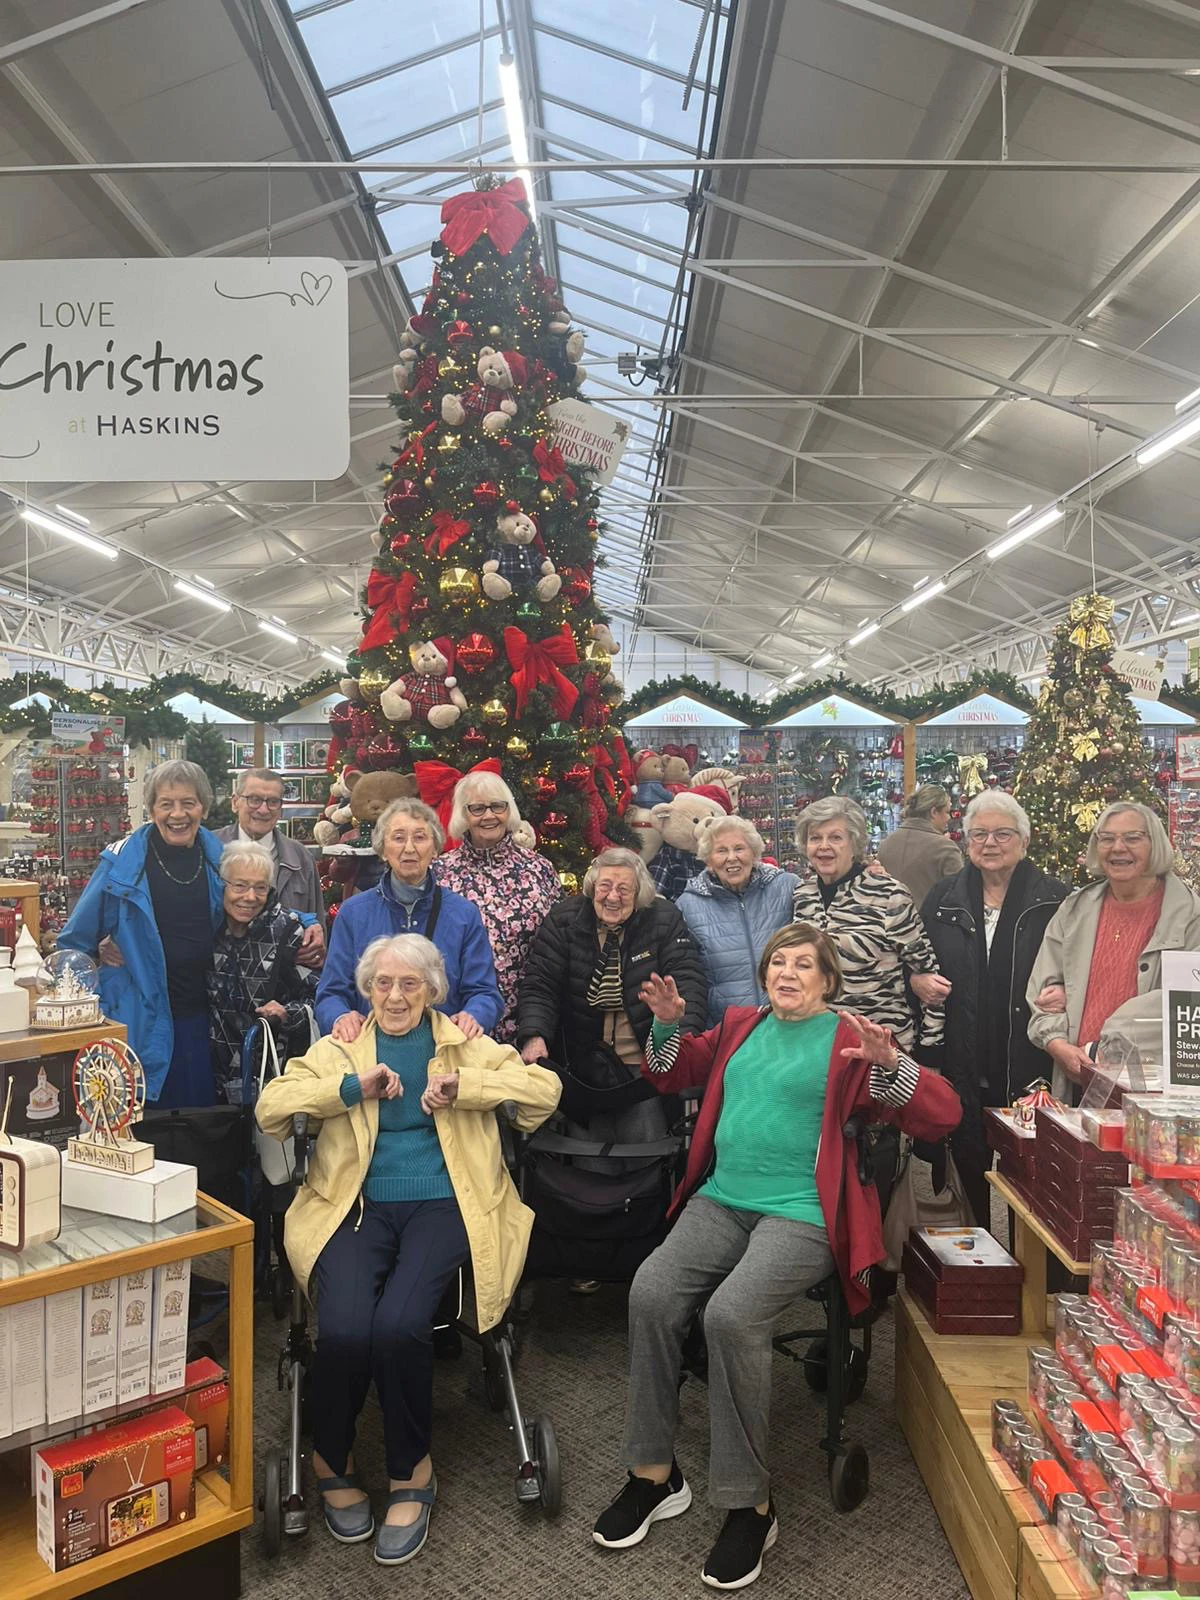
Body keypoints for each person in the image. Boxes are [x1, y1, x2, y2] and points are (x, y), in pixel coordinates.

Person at [591, 924, 960, 1590]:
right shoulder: (741, 1025)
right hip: (723, 1199)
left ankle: (749, 1507)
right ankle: (654, 1474)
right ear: (764, 975)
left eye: (804, 964)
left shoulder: (851, 1039)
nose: (787, 973)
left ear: (828, 979)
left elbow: (943, 1116)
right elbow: (670, 1073)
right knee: (651, 1291)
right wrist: (668, 1024)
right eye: (778, 962)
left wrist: (892, 1067)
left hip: (805, 1212)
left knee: (732, 1315)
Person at [256, 934, 560, 1565]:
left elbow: (543, 1092)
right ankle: (330, 1457)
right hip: (353, 1203)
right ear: (367, 989)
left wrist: (464, 1086)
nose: (395, 996)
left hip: (445, 1203)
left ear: (432, 990)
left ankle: (411, 1470)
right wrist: (350, 1088)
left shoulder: (464, 1041)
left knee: (399, 1326)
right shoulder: (340, 1045)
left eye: (410, 984)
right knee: (344, 1329)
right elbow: (271, 1108)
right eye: (383, 984)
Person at [921, 792, 1069, 1227]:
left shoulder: (1055, 899)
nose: (990, 843)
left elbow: (1081, 964)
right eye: (979, 834)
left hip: (1030, 1061)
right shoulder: (943, 898)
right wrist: (916, 980)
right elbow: (916, 957)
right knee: (966, 1174)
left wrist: (1067, 988)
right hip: (961, 1059)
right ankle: (978, 1260)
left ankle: (1032, 1263)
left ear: (1024, 841)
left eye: (1002, 834)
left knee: (1034, 1176)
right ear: (966, 841)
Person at [516, 846, 707, 1148]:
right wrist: (534, 1036)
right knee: (586, 1157)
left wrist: (679, 1047)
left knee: (646, 1154)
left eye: (624, 889)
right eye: (604, 886)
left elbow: (688, 984)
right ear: (592, 887)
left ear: (639, 893)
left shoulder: (664, 918)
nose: (612, 897)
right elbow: (541, 983)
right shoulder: (564, 919)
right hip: (582, 1066)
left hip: (643, 1068)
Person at [58, 758, 224, 1107]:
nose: (177, 814)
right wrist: (97, 1006)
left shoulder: (220, 859)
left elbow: (258, 902)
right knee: (141, 1122)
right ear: (151, 810)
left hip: (200, 1019)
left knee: (199, 1124)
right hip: (138, 1020)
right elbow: (73, 944)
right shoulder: (120, 865)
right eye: (166, 804)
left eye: (188, 803)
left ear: (204, 808)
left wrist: (307, 922)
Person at [1027, 801, 1200, 1098]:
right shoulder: (1074, 910)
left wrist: (1107, 1043)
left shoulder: (1190, 916)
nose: (1118, 848)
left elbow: (1187, 1003)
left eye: (1132, 838)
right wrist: (1057, 1044)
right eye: (1107, 838)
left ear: (1155, 844)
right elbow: (1042, 990)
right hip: (1076, 1083)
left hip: (1154, 1092)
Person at [315, 798, 502, 1043]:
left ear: (435, 848)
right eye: (398, 838)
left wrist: (474, 1016)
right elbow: (331, 994)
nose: (410, 848)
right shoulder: (353, 913)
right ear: (383, 850)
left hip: (444, 1048)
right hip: (370, 1049)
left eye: (420, 837)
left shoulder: (463, 914)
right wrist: (340, 1017)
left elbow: (485, 993)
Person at [791, 796, 949, 1054]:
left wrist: (930, 1051)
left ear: (854, 844)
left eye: (836, 838)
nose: (823, 846)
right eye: (815, 838)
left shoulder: (889, 894)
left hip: (881, 1048)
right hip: (819, 1045)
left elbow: (929, 978)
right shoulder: (802, 894)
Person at [432, 770, 561, 1043]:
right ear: (463, 815)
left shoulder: (539, 869)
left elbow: (558, 946)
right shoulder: (439, 873)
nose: (488, 816)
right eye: (477, 808)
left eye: (497, 806)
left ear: (508, 809)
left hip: (529, 1024)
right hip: (459, 1025)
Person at [207, 840, 315, 1102]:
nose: (250, 897)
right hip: (208, 1074)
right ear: (221, 885)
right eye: (239, 885)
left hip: (270, 1076)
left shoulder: (288, 931)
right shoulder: (207, 926)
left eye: (260, 887)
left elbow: (318, 995)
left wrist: (288, 1013)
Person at [676, 815, 798, 1024]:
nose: (732, 858)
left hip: (788, 1020)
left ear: (754, 853)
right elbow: (689, 977)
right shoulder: (687, 905)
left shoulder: (787, 887)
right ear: (708, 859)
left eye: (739, 848)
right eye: (721, 851)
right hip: (728, 1028)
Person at [215, 767, 325, 967]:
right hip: (218, 976)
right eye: (254, 799)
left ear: (281, 809)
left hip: (285, 979)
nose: (263, 809)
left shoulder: (300, 859)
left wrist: (314, 951)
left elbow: (317, 926)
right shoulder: (212, 850)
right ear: (235, 802)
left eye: (273, 802)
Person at [876, 784, 962, 905]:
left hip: (889, 915)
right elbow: (958, 898)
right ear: (934, 812)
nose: (949, 818)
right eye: (947, 812)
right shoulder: (945, 848)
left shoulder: (886, 844)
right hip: (928, 917)